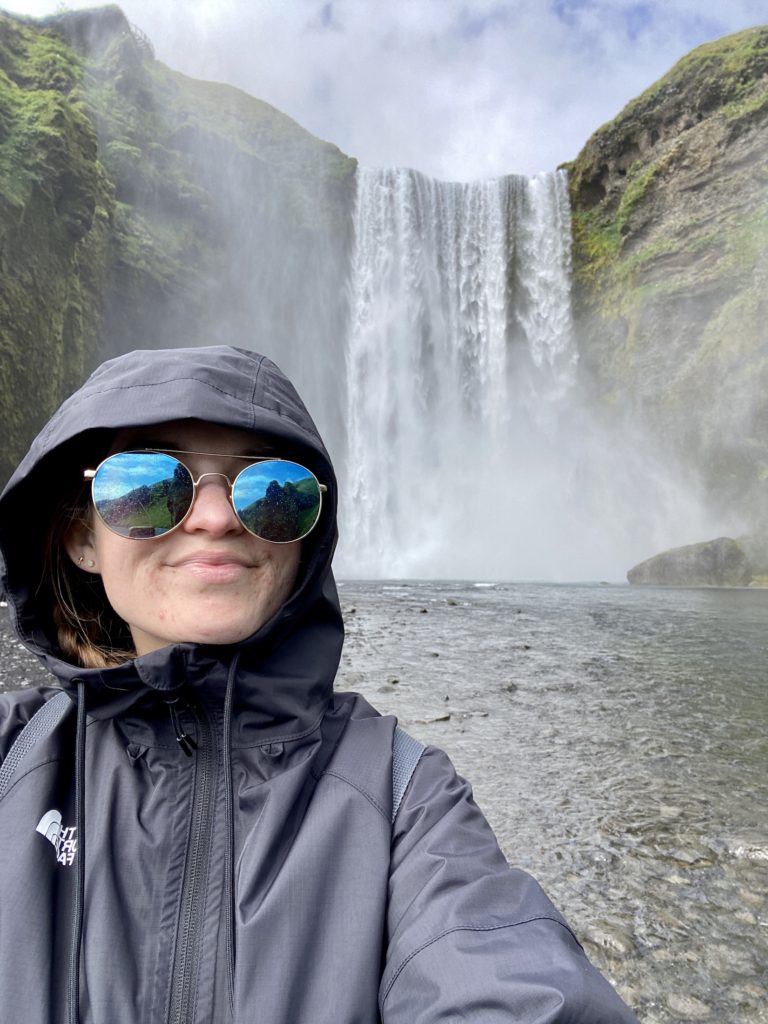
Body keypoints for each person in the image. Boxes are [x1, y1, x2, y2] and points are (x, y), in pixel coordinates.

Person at [0, 346, 639, 1023]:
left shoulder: (404, 801)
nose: (215, 519)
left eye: (272, 493)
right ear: (81, 535)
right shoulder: (11, 758)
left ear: (307, 540)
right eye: (147, 486)